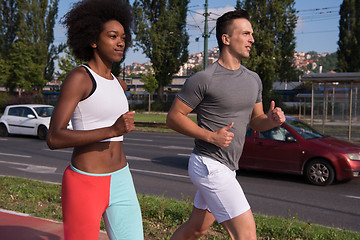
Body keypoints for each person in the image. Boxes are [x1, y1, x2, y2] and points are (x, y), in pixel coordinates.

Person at [166, 9, 285, 240]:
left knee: (197, 228)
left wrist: (271, 120)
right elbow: (174, 117)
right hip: (209, 165)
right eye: (246, 33)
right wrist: (210, 136)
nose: (252, 39)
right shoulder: (204, 79)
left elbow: (256, 122)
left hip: (228, 167)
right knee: (246, 234)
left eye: (252, 34)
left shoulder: (253, 79)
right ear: (226, 39)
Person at [46, 0, 143, 239]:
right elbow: (54, 136)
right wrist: (111, 130)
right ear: (93, 40)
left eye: (123, 37)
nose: (121, 42)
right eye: (112, 36)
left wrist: (115, 130)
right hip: (85, 183)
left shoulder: (119, 83)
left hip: (122, 178)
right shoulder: (80, 78)